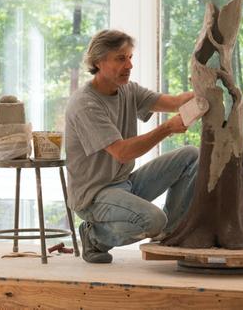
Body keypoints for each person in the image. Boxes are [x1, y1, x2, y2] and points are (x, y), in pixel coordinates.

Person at [65, 29, 198, 263]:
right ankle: (94, 236)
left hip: (124, 184)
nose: (129, 65)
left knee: (191, 155)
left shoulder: (127, 89)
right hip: (94, 196)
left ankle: (170, 235)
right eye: (120, 58)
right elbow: (122, 152)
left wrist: (203, 89)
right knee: (153, 220)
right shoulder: (85, 104)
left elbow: (174, 102)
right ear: (98, 61)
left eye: (130, 58)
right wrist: (166, 129)